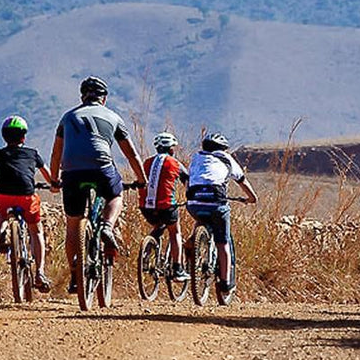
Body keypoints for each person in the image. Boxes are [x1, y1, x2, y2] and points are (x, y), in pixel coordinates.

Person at [48, 76, 146, 294]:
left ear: (82, 97)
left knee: (73, 223)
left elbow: (56, 153)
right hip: (101, 167)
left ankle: (75, 275)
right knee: (115, 195)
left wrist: (54, 180)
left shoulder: (68, 117)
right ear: (104, 98)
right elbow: (131, 154)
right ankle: (107, 226)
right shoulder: (113, 116)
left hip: (71, 171)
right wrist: (142, 181)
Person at [0, 114, 57, 292]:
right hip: (26, 196)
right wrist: (54, 186)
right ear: (24, 136)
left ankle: (1, 230)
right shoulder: (32, 154)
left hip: (3, 195)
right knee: (35, 230)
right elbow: (48, 175)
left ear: (4, 136)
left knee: (2, 212)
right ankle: (39, 272)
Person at [185, 131, 257, 304]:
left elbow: (191, 179)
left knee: (200, 219)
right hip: (217, 203)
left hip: (193, 202)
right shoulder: (226, 158)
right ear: (223, 148)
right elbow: (242, 180)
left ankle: (191, 244)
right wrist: (252, 198)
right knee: (223, 243)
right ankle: (225, 284)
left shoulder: (196, 158)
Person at [141, 131, 190, 281]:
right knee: (175, 233)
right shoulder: (176, 163)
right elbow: (188, 182)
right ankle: (178, 269)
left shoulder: (147, 162)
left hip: (146, 207)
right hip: (167, 206)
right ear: (171, 149)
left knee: (158, 227)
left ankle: (146, 254)